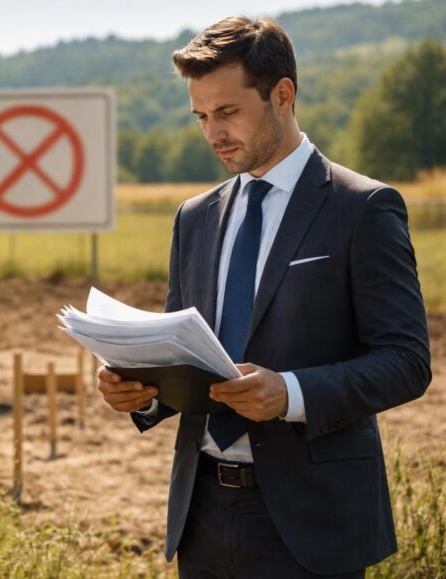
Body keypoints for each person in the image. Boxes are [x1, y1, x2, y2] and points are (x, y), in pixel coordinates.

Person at [97, 17, 430, 578]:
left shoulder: (363, 208)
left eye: (227, 112)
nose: (212, 133)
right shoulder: (194, 217)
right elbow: (186, 350)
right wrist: (141, 390)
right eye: (202, 116)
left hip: (313, 522)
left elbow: (406, 362)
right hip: (199, 512)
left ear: (282, 95)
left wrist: (290, 392)